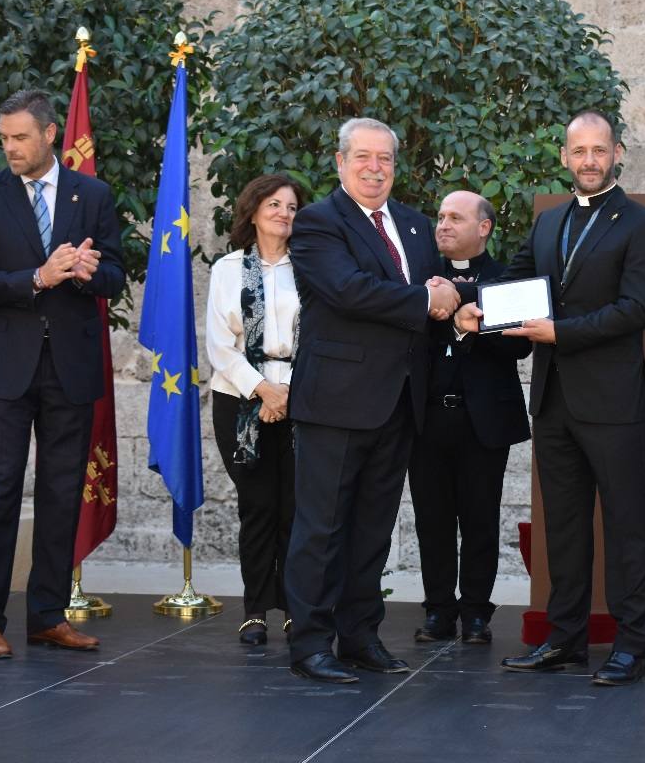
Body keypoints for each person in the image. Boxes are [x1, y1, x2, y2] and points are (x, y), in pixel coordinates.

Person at [455, 109, 645, 685]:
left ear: (617, 154)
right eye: (580, 151)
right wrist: (472, 302)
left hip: (613, 401)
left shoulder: (643, 225)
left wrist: (561, 333)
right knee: (566, 528)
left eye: (600, 150)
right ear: (565, 158)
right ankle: (565, 639)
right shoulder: (548, 223)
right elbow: (515, 282)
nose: (590, 161)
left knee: (626, 524)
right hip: (552, 400)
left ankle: (630, 642)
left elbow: (635, 310)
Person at [284, 118, 460, 683]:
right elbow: (348, 289)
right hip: (334, 403)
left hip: (398, 403)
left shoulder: (412, 225)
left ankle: (360, 636)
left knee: (372, 530)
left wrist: (460, 310)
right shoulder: (316, 223)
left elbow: (436, 300)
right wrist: (427, 301)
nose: (375, 168)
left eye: (384, 158)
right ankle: (311, 643)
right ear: (340, 163)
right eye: (363, 157)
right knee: (321, 529)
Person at [0, 89, 125, 658]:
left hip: (70, 369)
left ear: (50, 135)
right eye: (4, 138)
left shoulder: (93, 194)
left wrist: (85, 271)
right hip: (8, 368)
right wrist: (38, 276)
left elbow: (116, 277)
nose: (9, 147)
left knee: (61, 492)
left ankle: (47, 615)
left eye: (20, 137)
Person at [408, 190, 531, 646]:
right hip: (425, 421)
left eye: (455, 218)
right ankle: (438, 610)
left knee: (480, 520)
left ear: (484, 228)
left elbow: (518, 344)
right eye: (440, 216)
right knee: (432, 521)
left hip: (483, 423)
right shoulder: (418, 278)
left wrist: (465, 324)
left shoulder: (505, 280)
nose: (443, 225)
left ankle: (476, 613)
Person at [207, 174, 304, 646]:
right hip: (239, 399)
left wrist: (286, 394)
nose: (283, 212)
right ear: (252, 210)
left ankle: (291, 606)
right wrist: (264, 390)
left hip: (299, 399)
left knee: (293, 507)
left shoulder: (308, 268)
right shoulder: (227, 268)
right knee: (258, 505)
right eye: (274, 203)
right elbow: (220, 347)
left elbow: (319, 337)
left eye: (290, 206)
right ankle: (254, 610)